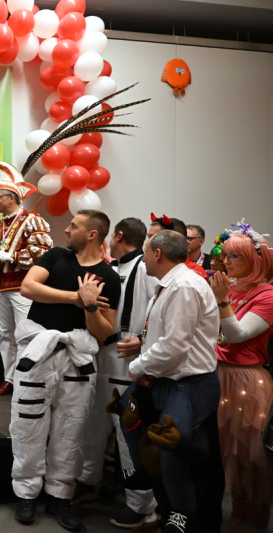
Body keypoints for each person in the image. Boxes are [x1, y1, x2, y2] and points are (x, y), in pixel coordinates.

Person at [10, 209, 120, 532]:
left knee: (71, 430)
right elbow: (28, 287)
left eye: (74, 225)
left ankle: (60, 496)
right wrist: (76, 297)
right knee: (27, 425)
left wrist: (90, 306)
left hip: (77, 360)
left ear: (92, 234)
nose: (67, 229)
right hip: (39, 354)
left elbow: (104, 332)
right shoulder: (55, 256)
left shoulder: (109, 277)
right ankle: (26, 493)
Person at [120, 229, 220, 533]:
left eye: (146, 252)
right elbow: (164, 337)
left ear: (158, 253)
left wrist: (138, 366)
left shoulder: (184, 286)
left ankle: (182, 516)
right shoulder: (168, 284)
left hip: (187, 385)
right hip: (163, 380)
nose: (143, 259)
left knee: (170, 450)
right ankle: (152, 488)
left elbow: (175, 346)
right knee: (128, 413)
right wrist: (144, 354)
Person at [75, 217, 158, 529]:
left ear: (118, 236)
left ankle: (141, 505)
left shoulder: (144, 269)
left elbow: (160, 309)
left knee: (127, 435)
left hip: (127, 361)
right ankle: (88, 480)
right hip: (102, 357)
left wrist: (144, 340)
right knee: (93, 425)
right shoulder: (113, 267)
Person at [210, 222, 273, 531]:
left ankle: (256, 518)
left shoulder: (268, 295)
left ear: (254, 260)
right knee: (227, 452)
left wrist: (221, 300)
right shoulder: (232, 289)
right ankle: (238, 510)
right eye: (226, 255)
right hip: (219, 375)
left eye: (234, 256)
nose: (226, 261)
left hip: (246, 381)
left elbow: (237, 334)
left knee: (250, 455)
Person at [0, 161, 52, 396]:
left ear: (11, 197)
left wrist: (13, 256)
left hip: (22, 288)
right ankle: (9, 379)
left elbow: (43, 252)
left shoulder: (32, 220)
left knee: (26, 334)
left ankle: (29, 379)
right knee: (5, 335)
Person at [148, 214, 207, 280]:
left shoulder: (195, 272)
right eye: (149, 237)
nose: (148, 242)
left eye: (155, 237)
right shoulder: (152, 268)